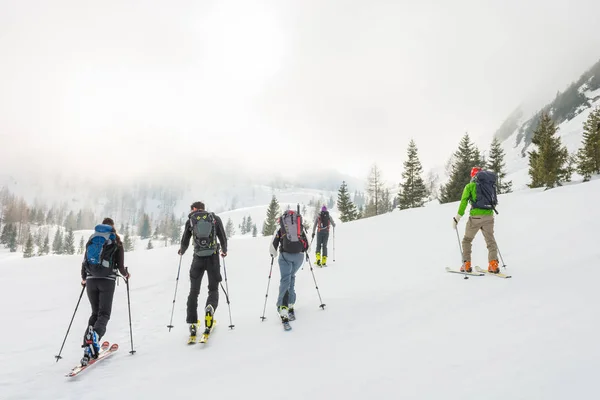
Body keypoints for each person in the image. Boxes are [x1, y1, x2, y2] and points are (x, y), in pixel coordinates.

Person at [80, 217, 129, 366]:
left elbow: (85, 261)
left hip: (90, 280)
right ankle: (95, 335)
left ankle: (88, 348)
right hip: (107, 281)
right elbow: (120, 266)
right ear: (112, 227)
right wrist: (126, 274)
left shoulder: (93, 239)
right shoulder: (116, 242)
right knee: (104, 314)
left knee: (95, 313)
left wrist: (84, 278)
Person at [178, 201, 227, 341]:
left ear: (194, 209)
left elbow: (185, 241)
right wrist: (224, 250)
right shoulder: (214, 219)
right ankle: (210, 308)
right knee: (213, 289)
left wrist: (182, 250)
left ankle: (193, 324)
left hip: (197, 259)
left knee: (193, 292)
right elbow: (222, 236)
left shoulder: (191, 221)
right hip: (213, 258)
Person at [452, 167, 499, 273]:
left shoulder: (470, 186)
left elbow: (463, 202)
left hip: (475, 218)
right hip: (489, 216)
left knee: (467, 240)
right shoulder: (490, 185)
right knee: (490, 241)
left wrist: (457, 218)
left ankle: (466, 264)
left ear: (473, 176)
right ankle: (493, 264)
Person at [269, 209, 309, 323]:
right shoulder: (299, 227)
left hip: (286, 255)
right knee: (291, 277)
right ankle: (291, 303)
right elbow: (307, 246)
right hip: (299, 257)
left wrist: (274, 254)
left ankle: (282, 306)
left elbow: (273, 247)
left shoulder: (281, 227)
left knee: (285, 279)